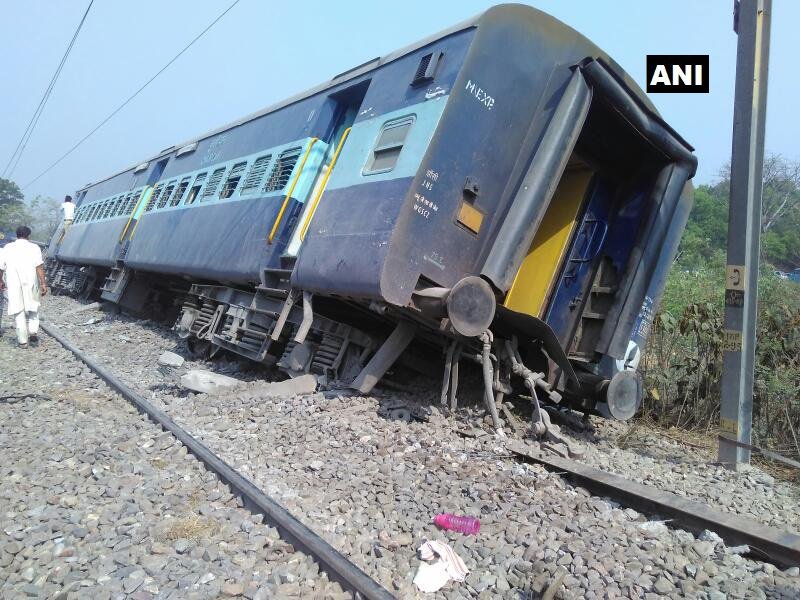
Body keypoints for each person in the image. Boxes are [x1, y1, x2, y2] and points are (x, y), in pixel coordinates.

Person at [0, 226, 48, 348]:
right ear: (29, 236)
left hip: (13, 283)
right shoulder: (34, 248)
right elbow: (39, 267)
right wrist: (43, 283)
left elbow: (1, 267)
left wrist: (1, 281)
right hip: (31, 283)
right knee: (33, 307)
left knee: (18, 310)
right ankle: (33, 331)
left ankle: (23, 341)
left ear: (16, 235)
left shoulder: (7, 248)